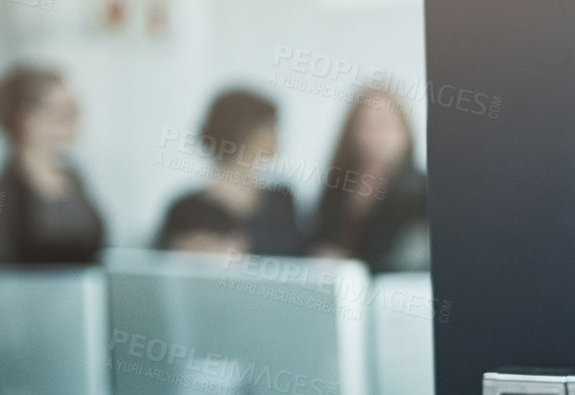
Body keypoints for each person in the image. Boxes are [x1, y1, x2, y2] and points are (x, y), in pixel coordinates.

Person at [0, 65, 106, 265]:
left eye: (76, 108)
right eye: (64, 110)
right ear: (28, 119)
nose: (76, 117)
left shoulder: (75, 181)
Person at [155, 88, 304, 256]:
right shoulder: (185, 210)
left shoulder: (282, 201)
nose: (276, 135)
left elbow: (299, 256)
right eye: (269, 126)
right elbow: (160, 264)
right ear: (245, 131)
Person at [310, 86, 429, 272]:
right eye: (367, 125)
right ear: (353, 131)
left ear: (404, 130)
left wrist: (348, 263)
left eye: (384, 125)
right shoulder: (338, 184)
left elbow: (410, 260)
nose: (376, 135)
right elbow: (318, 239)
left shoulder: (421, 190)